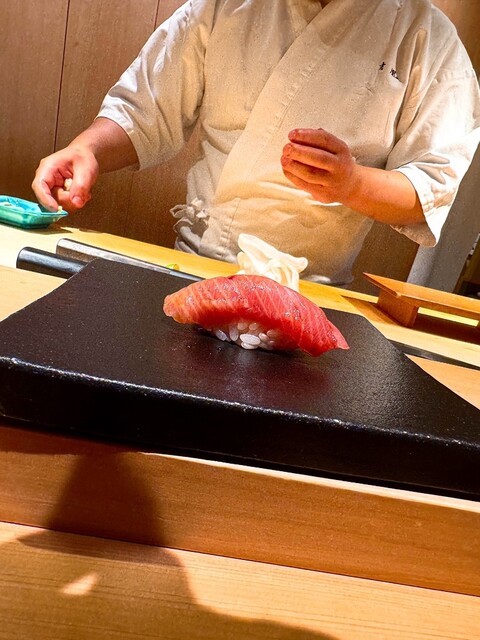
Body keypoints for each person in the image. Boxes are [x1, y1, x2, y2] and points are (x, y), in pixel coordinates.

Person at [32, 0, 480, 286]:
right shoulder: (224, 5)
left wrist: (352, 184)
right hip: (197, 266)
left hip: (313, 294)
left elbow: (429, 190)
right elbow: (144, 109)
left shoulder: (428, 36)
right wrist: (88, 149)